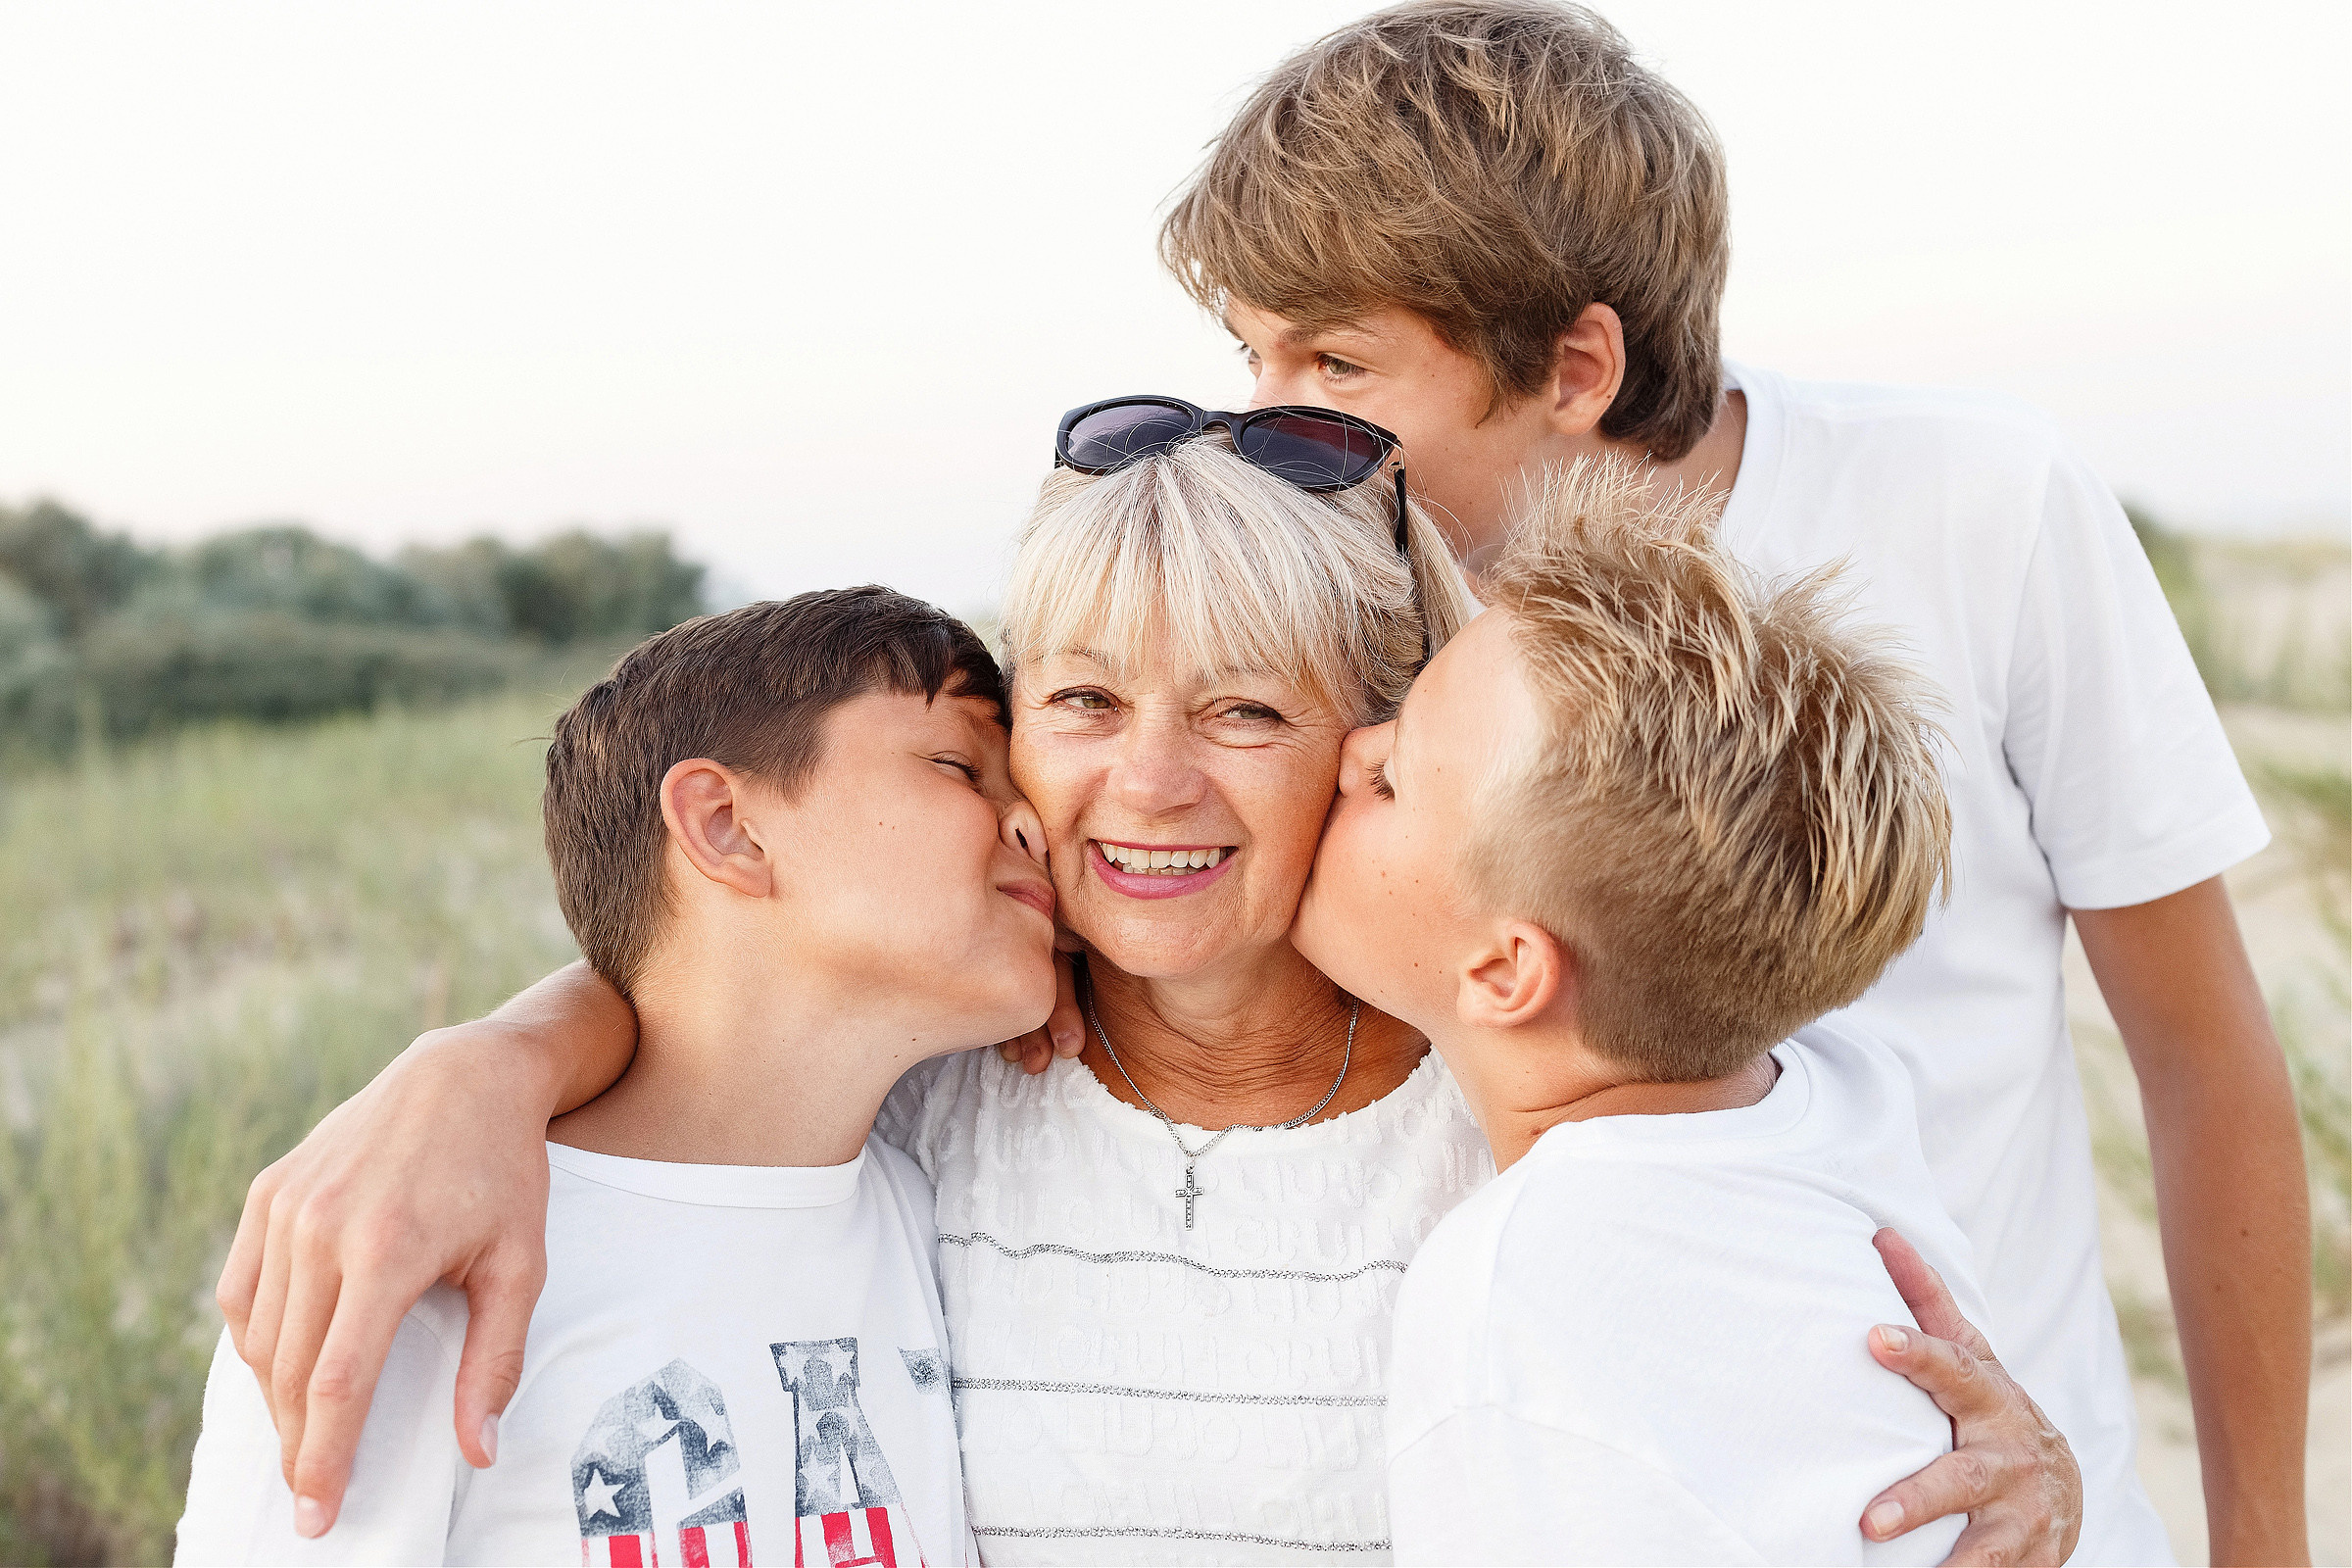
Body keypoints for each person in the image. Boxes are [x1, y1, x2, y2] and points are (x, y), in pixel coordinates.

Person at [205, 428, 2076, 1564]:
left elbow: (1821, 1291)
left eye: (1250, 710)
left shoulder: (1551, 1098)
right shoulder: (950, 1075)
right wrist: (486, 1062)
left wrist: (2031, 1484)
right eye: (1082, 703)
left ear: (1375, 753)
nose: (1146, 786)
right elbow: (725, 1005)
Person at [1149, 5, 2309, 1562]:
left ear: (1577, 362)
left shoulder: (1982, 503)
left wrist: (2266, 1542)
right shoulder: (1316, 603)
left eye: (1336, 362)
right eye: (1251, 355)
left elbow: (2201, 1051)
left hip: (1994, 1505)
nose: (1259, 427)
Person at [175, 589, 1056, 1564]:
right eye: (956, 765)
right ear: (726, 826)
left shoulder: (941, 1195)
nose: (1032, 825)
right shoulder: (420, 1246)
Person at [1295, 463, 1987, 1563]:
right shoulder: (1841, 1094)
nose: (1353, 749)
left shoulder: (1516, 1286)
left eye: (1397, 778)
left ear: (1506, 972)